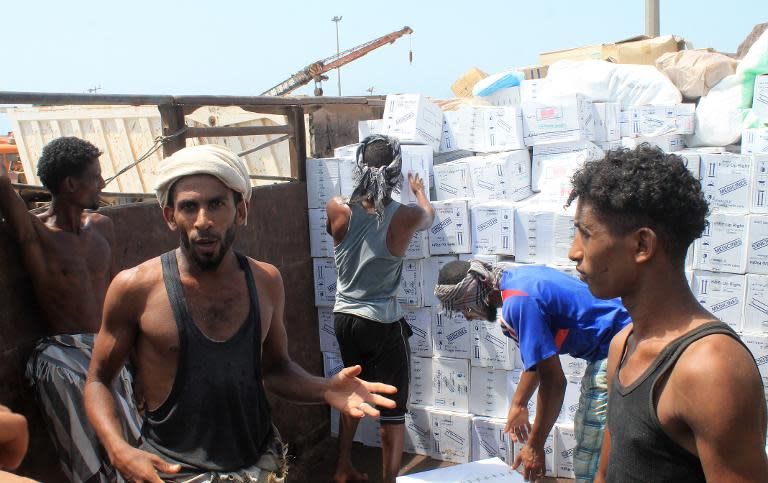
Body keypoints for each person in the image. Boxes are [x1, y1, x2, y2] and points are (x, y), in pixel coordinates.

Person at [84, 144, 397, 482]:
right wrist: (117, 448)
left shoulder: (266, 281)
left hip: (259, 466)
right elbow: (98, 379)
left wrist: (325, 388)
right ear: (169, 216)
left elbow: (275, 369)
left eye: (216, 204)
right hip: (173, 472)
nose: (203, 221)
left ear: (241, 211)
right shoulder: (134, 287)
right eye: (189, 207)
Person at [566, 145, 768, 482]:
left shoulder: (710, 368)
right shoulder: (623, 345)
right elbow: (607, 473)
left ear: (642, 245)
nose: (574, 251)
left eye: (586, 233)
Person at [0, 137, 140, 482]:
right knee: (90, 462)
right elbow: (2, 183)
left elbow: (117, 297)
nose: (103, 184)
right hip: (64, 358)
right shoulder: (37, 233)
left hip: (109, 351)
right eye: (95, 177)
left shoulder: (103, 226)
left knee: (136, 451)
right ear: (70, 184)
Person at [434, 261, 630, 482]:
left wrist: (535, 446)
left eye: (465, 308)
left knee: (590, 458)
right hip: (618, 341)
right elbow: (540, 359)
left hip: (620, 348)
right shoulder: (518, 281)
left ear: (479, 292)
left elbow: (554, 382)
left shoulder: (518, 303)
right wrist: (519, 403)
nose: (468, 317)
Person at [326, 135, 434, 483]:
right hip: (381, 322)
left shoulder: (336, 207)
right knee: (392, 408)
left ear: (358, 168)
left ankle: (343, 467)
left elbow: (338, 232)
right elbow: (429, 217)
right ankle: (388, 480)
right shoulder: (405, 216)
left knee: (352, 391)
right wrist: (417, 190)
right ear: (396, 173)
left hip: (344, 318)